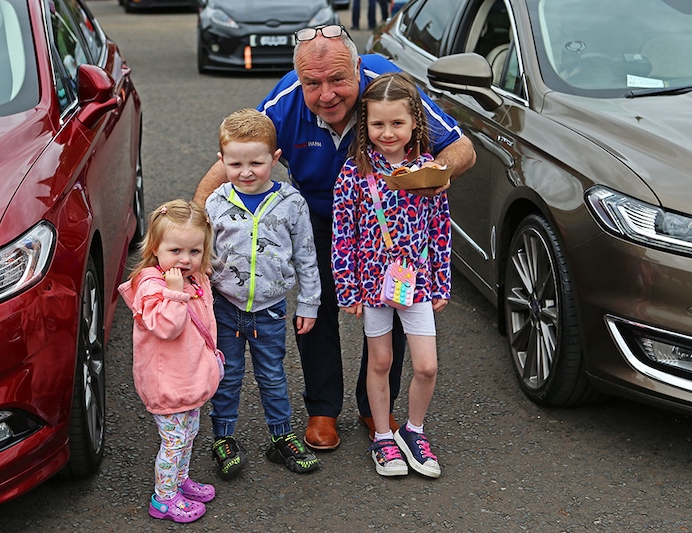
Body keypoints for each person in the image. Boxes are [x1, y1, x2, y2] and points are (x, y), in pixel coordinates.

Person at [193, 24, 475, 452]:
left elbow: (462, 148)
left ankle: (374, 404)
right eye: (313, 83)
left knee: (392, 303)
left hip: (387, 224)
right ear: (300, 80)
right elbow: (236, 157)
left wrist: (435, 174)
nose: (326, 94)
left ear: (359, 69)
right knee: (315, 303)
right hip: (319, 216)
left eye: (338, 79)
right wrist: (192, 230)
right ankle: (322, 408)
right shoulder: (285, 103)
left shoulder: (388, 91)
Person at [331, 72, 449, 478]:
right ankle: (383, 436)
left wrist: (442, 281)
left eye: (397, 123)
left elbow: (440, 230)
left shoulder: (430, 172)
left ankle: (413, 431)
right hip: (371, 284)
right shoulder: (353, 175)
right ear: (366, 125)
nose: (387, 132)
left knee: (426, 366)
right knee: (380, 361)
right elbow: (342, 236)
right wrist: (347, 288)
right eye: (378, 124)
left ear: (415, 120)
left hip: (417, 284)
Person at [205, 108, 322, 479]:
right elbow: (204, 256)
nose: (246, 172)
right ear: (222, 160)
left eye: (256, 162)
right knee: (227, 374)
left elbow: (306, 254)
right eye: (236, 163)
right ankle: (222, 438)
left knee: (273, 375)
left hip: (270, 309)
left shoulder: (292, 203)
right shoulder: (216, 203)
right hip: (225, 305)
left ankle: (281, 436)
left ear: (275, 158)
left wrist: (309, 302)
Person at [118, 200, 221, 523]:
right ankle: (163, 498)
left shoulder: (192, 277)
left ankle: (179, 480)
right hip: (168, 384)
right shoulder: (153, 288)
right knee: (174, 442)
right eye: (175, 250)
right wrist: (175, 294)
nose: (186, 259)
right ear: (155, 248)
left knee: (189, 435)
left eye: (194, 251)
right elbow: (166, 327)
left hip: (189, 377)